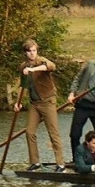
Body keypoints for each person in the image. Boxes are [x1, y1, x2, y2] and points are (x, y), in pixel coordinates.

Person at [19, 39, 65, 169]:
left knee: (53, 133)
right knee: (29, 132)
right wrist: (18, 103)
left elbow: (51, 66)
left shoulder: (41, 61)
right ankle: (35, 162)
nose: (32, 53)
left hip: (47, 101)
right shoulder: (23, 67)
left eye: (34, 50)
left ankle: (60, 164)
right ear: (25, 53)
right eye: (29, 51)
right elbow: (23, 86)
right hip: (34, 104)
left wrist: (33, 69)